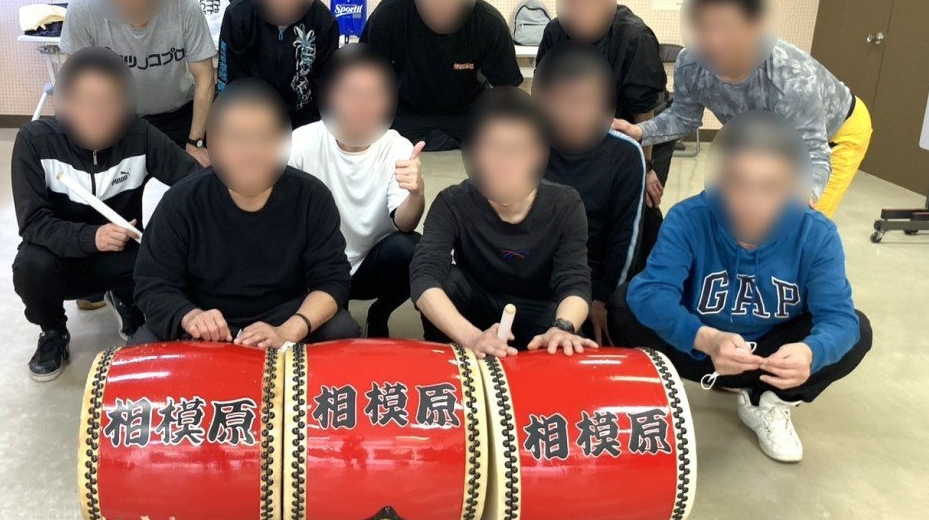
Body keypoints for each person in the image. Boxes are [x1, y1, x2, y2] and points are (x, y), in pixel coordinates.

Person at [608, 112, 872, 463]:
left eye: (770, 187)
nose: (751, 201)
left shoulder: (816, 234)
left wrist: (810, 354)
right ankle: (665, 390)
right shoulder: (690, 218)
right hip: (702, 350)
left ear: (794, 189)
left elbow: (839, 319)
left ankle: (770, 400)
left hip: (770, 357)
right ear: (719, 180)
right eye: (738, 183)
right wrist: (706, 339)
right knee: (624, 306)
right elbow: (650, 293)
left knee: (858, 330)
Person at [613, 0, 873, 217]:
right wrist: (641, 132)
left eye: (726, 26)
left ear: (754, 28)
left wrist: (804, 194)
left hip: (836, 133)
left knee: (796, 225)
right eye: (703, 26)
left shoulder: (789, 77)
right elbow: (683, 117)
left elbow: (814, 153)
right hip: (763, 141)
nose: (713, 40)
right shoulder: (691, 64)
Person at [11, 48, 200, 381]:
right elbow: (33, 222)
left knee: (164, 258)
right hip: (60, 259)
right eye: (85, 100)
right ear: (63, 103)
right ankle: (53, 331)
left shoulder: (139, 135)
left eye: (110, 101)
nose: (97, 113)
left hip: (122, 255)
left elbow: (194, 183)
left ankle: (128, 300)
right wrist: (92, 237)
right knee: (30, 265)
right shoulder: (35, 142)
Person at [133, 79, 359, 347]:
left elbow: (332, 280)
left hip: (283, 317)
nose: (251, 153)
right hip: (207, 322)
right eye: (236, 139)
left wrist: (290, 330)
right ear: (213, 144)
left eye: (264, 138)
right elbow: (152, 283)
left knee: (342, 329)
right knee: (141, 346)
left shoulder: (312, 197)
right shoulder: (181, 202)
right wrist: (190, 316)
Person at [410, 88, 595, 359]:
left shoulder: (565, 204)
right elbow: (423, 277)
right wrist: (471, 337)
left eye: (518, 150)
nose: (504, 163)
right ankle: (449, 362)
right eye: (493, 148)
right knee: (447, 281)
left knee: (569, 342)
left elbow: (575, 280)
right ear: (475, 153)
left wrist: (562, 327)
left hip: (537, 310)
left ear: (538, 154)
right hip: (477, 306)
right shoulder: (452, 203)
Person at [289, 44, 424, 337]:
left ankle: (380, 313)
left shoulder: (396, 146)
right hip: (317, 267)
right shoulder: (299, 143)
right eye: (351, 94)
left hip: (368, 265)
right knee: (339, 331)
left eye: (375, 94)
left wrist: (416, 193)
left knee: (412, 248)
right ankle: (331, 307)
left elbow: (404, 223)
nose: (363, 105)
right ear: (329, 96)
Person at [536, 0, 670, 246]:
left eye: (587, 1)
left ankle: (636, 265)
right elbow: (545, 96)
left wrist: (646, 169)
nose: (578, 11)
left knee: (639, 201)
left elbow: (644, 112)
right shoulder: (555, 32)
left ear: (610, 1)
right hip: (581, 128)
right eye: (571, 1)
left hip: (638, 130)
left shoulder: (634, 38)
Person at [61, 0, 217, 162]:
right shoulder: (84, 9)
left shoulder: (184, 7)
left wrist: (195, 142)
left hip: (178, 115)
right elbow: (75, 83)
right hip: (114, 116)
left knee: (193, 177)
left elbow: (205, 79)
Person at [361, 0, 522, 150]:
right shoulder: (390, 15)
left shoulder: (488, 24)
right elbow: (363, 78)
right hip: (404, 116)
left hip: (466, 118)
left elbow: (508, 94)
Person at [533, 44, 645, 345]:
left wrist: (602, 298)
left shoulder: (625, 153)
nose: (576, 113)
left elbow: (626, 239)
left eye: (587, 102)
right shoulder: (528, 141)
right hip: (535, 267)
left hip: (592, 272)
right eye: (565, 101)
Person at [218, 0, 339, 127]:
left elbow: (328, 90)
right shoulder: (239, 15)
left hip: (305, 122)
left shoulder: (323, 21)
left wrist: (312, 131)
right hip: (251, 120)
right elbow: (228, 82)